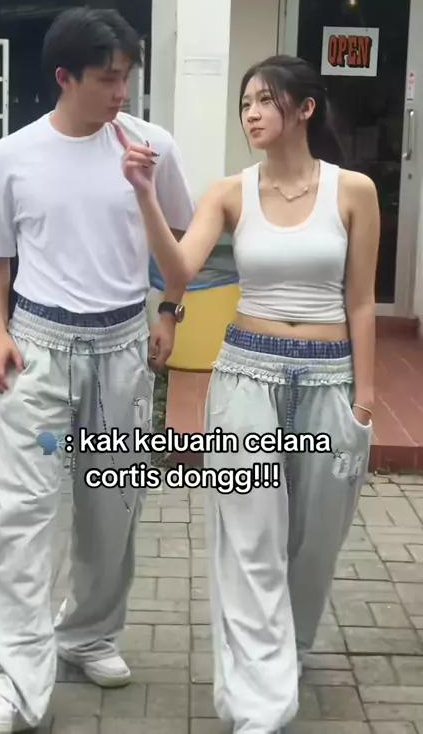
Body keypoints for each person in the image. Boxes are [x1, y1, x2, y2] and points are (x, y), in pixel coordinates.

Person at [117, 55, 380, 734]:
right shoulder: (230, 192)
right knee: (249, 539)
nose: (252, 114)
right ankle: (260, 700)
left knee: (314, 544)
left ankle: (284, 653)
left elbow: (360, 301)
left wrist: (365, 398)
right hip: (246, 377)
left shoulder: (353, 191)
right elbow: (179, 268)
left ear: (305, 108)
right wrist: (145, 194)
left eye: (265, 100)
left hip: (329, 379)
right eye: (245, 104)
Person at [0, 7, 195, 733]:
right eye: (107, 79)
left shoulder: (152, 147)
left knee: (111, 510)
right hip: (38, 347)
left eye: (127, 77)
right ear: (65, 77)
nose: (122, 92)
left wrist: (168, 313)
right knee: (19, 516)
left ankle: (88, 634)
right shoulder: (12, 156)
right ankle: (10, 679)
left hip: (122, 347)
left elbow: (181, 246)